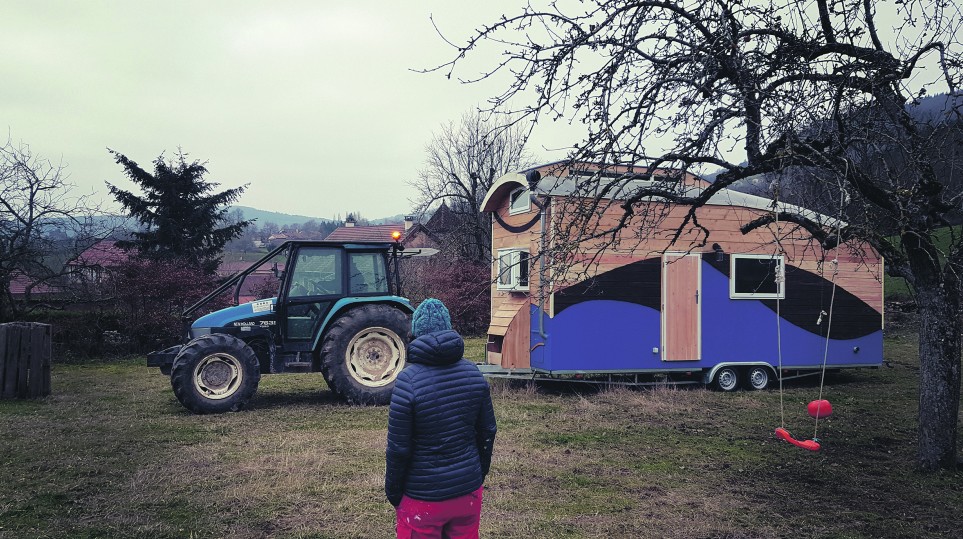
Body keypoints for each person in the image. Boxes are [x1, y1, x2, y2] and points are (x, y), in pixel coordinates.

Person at [385, 298, 497, 539]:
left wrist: (394, 492)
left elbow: (398, 449)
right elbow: (488, 431)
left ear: (416, 333)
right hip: (468, 492)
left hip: (422, 499)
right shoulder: (474, 375)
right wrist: (478, 473)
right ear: (449, 329)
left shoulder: (407, 381)